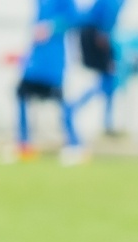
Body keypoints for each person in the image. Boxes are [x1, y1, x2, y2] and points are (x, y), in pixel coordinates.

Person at [8, 0, 84, 165]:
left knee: (60, 100)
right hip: (36, 59)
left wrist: (51, 27)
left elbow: (75, 18)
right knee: (21, 93)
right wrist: (24, 57)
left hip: (53, 60)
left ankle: (75, 144)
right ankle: (24, 144)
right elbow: (35, 28)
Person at [72, 0, 124, 138]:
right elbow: (107, 18)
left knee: (108, 81)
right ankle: (73, 107)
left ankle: (107, 122)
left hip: (93, 33)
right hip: (95, 35)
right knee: (108, 79)